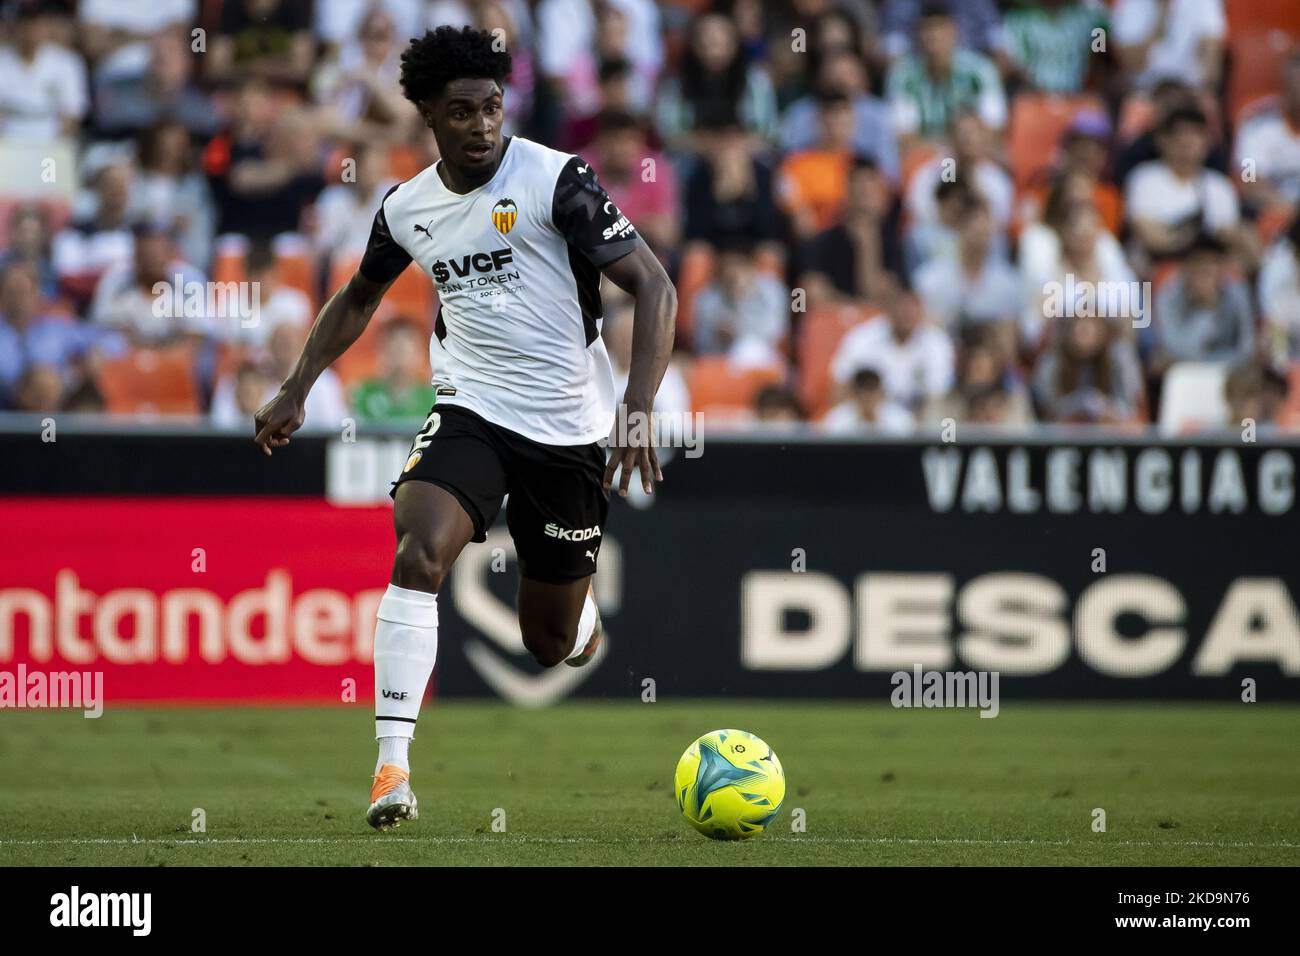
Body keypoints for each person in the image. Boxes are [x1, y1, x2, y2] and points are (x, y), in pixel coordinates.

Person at [252, 26, 677, 831]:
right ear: (427, 116)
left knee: (547, 643)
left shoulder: (559, 179)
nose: (482, 124)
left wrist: (638, 408)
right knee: (417, 548)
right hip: (471, 407)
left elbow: (654, 287)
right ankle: (391, 769)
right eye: (462, 111)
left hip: (568, 428)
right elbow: (357, 299)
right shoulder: (408, 207)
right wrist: (296, 386)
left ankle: (580, 618)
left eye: (492, 107)